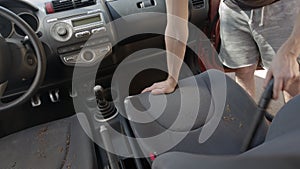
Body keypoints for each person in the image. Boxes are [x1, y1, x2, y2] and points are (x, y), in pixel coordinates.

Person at [143, 0, 300, 102]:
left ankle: (292, 132)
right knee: (243, 71)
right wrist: (171, 79)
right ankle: (256, 129)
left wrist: (291, 50)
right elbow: (176, 27)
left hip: (282, 6)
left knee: (290, 79)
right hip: (232, 8)